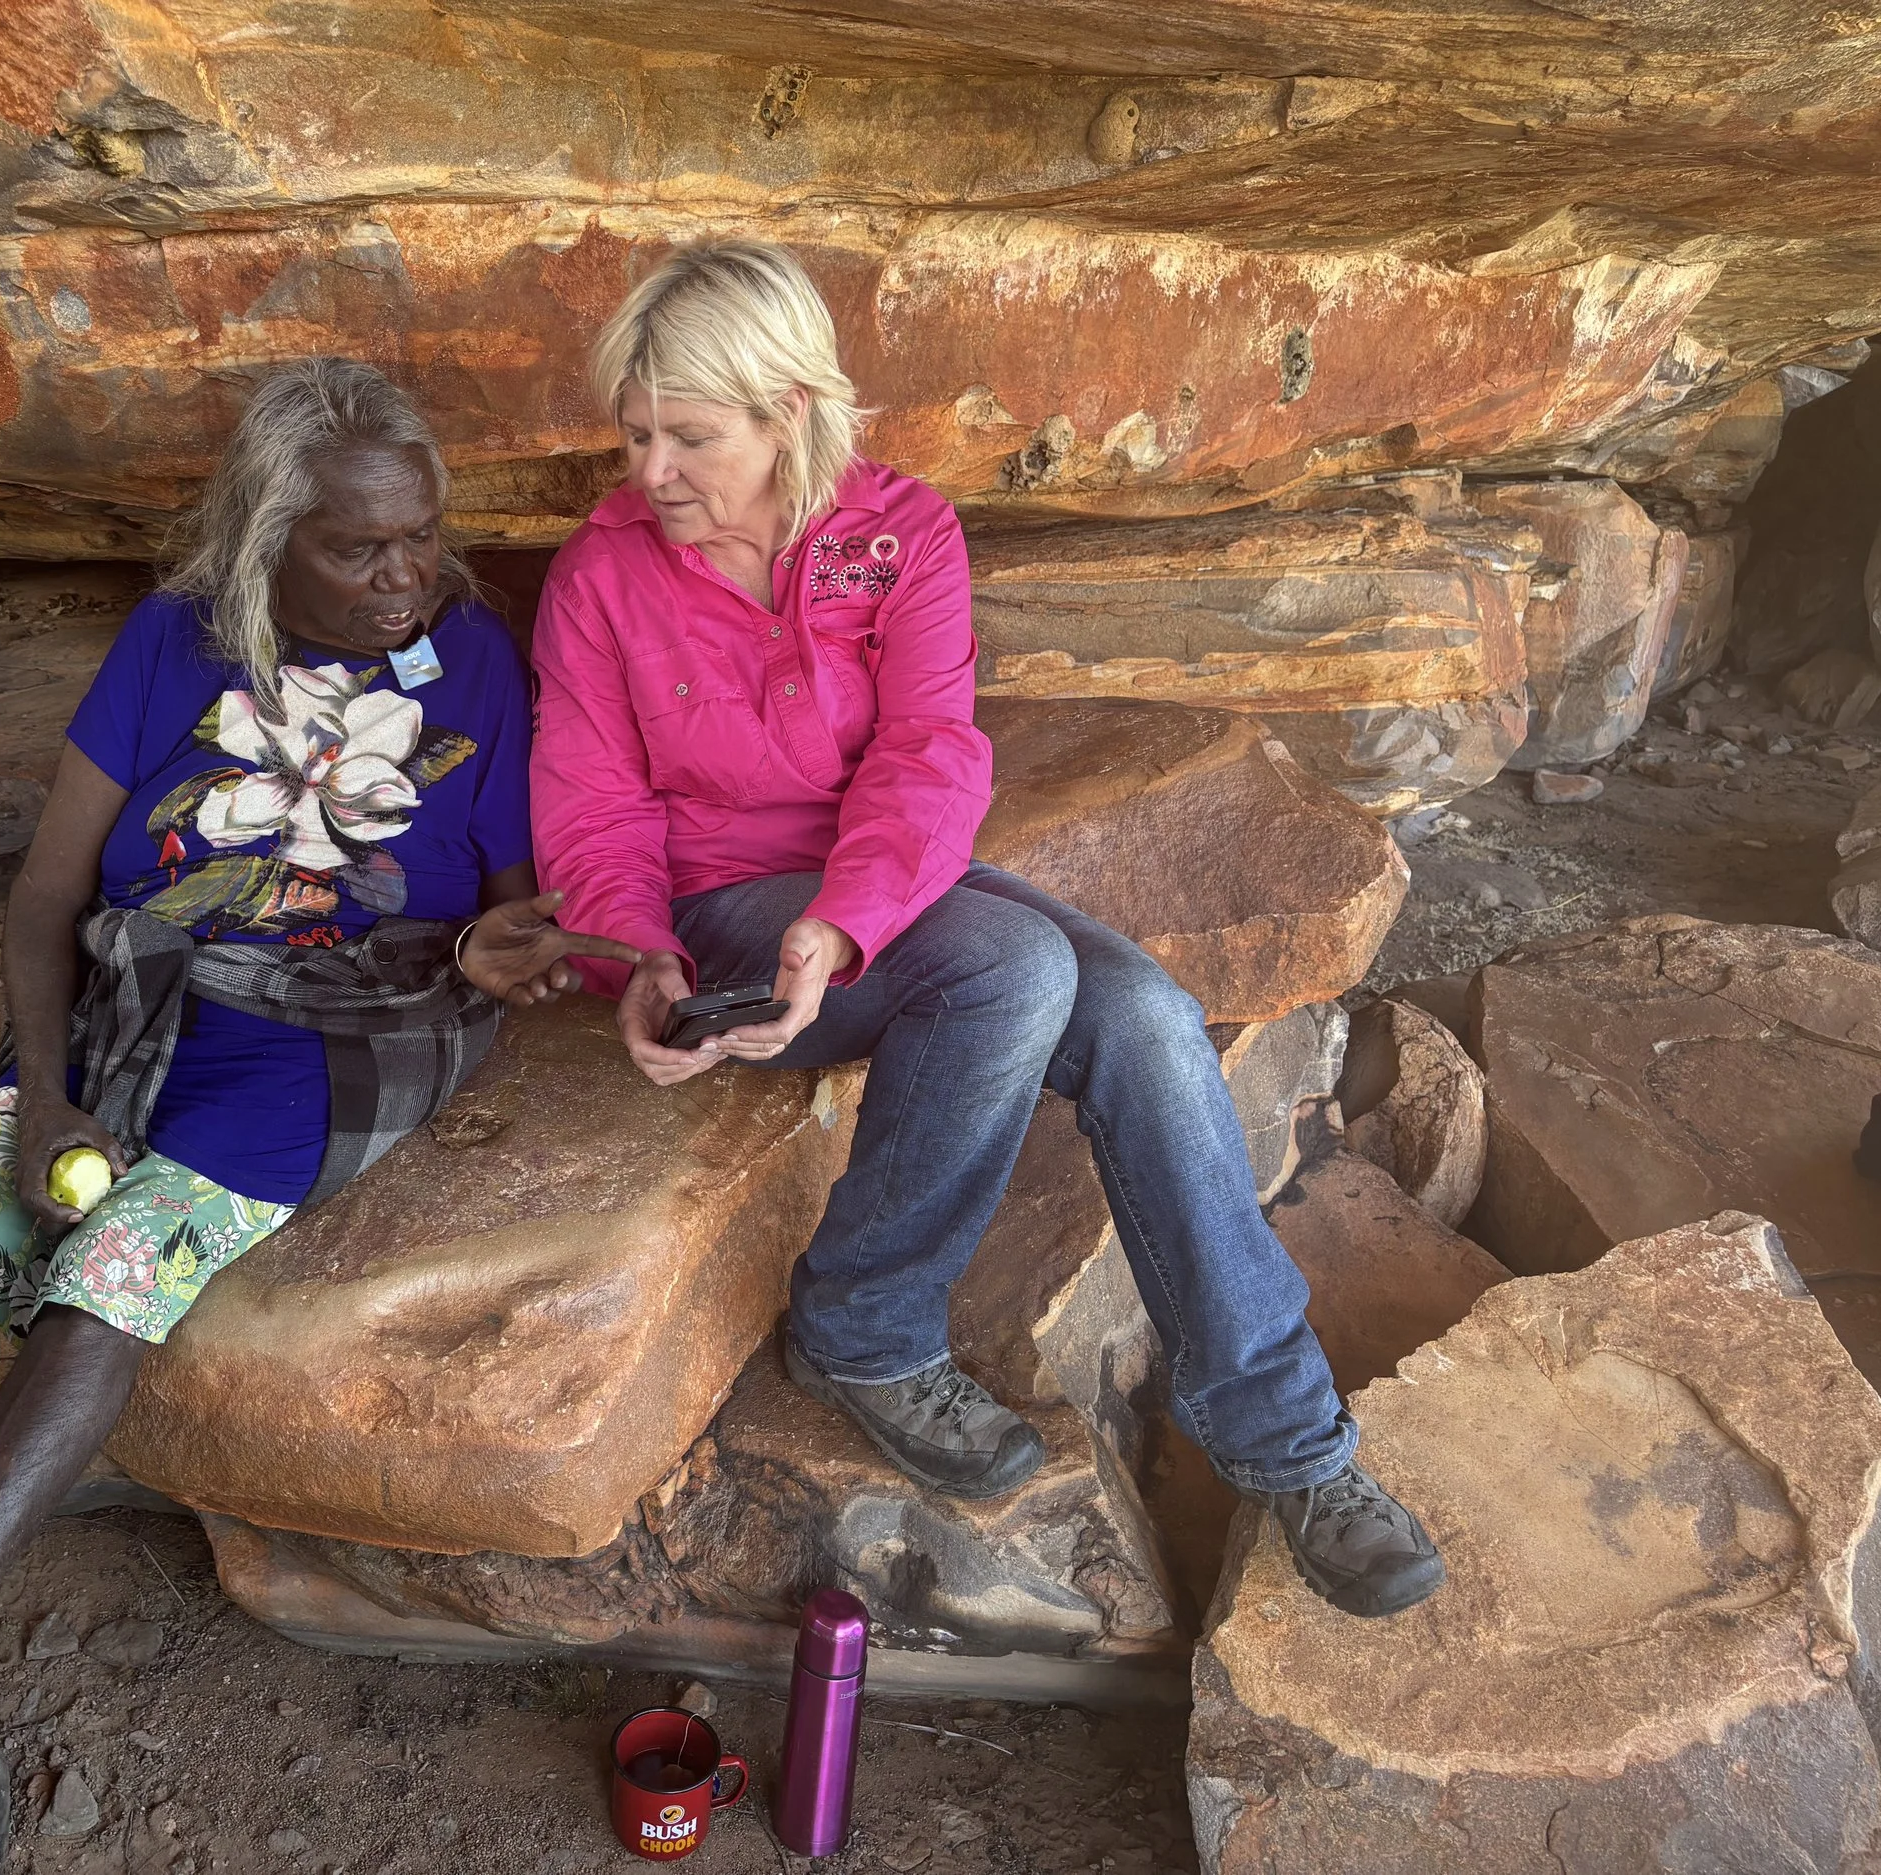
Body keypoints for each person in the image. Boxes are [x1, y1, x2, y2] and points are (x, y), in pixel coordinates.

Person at [0, 360, 635, 1874]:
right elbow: (46, 895)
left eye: (421, 536)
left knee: (106, 1283)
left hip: (344, 1031)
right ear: (267, 542)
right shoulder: (174, 640)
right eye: (361, 547)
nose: (407, 574)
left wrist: (515, 949)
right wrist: (41, 1093)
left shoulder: (476, 660)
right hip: (134, 1008)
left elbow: (498, 909)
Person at [529, 239, 1444, 1621]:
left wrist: (843, 924)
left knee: (1138, 1013)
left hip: (871, 903)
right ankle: (866, 1327)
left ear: (788, 414)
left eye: (689, 437)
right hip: (718, 912)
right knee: (1010, 964)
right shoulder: (603, 576)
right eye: (636, 432)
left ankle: (1291, 1446)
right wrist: (637, 955)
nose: (649, 470)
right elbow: (593, 803)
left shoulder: (901, 534)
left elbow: (929, 759)